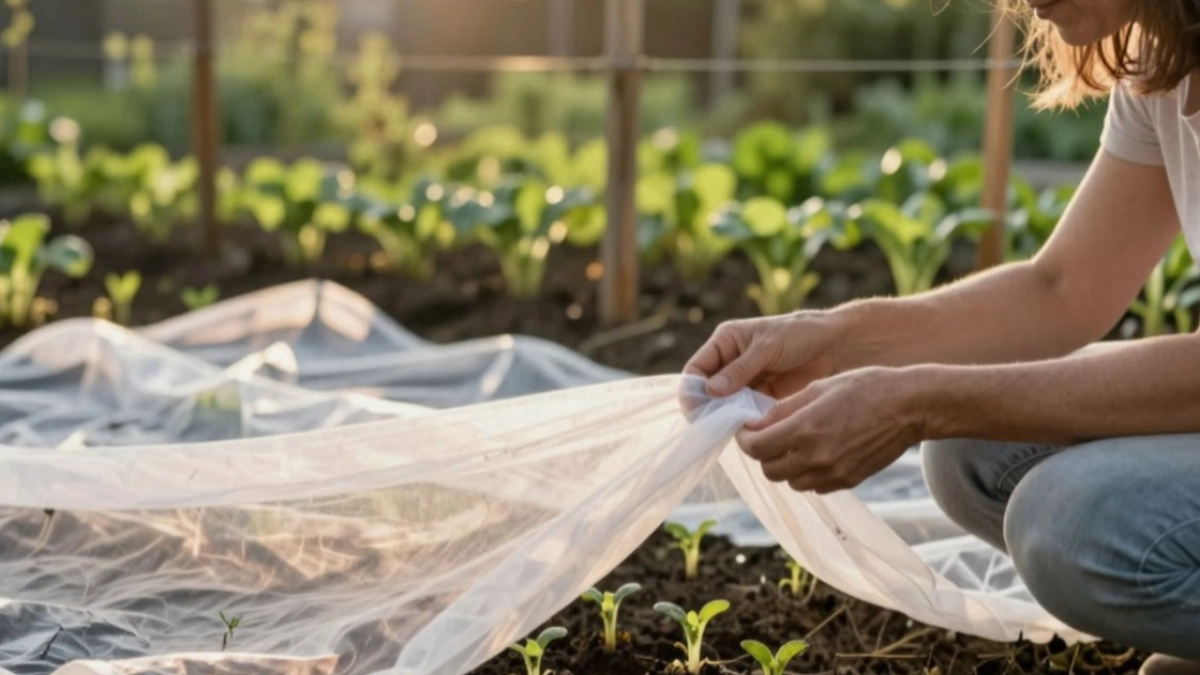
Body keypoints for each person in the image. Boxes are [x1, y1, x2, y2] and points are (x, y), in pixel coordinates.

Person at [684, 0, 1200, 672]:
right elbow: (1063, 287)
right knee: (971, 448)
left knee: (1069, 523)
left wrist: (919, 399)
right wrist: (830, 340)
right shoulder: (1163, 65)